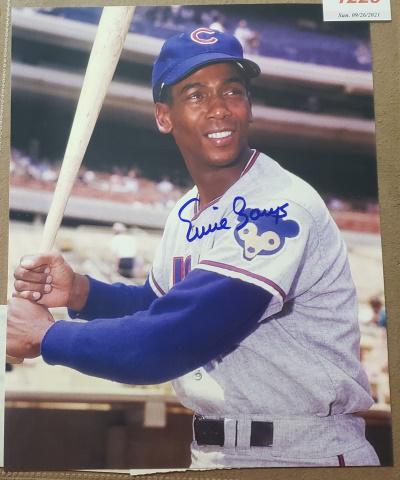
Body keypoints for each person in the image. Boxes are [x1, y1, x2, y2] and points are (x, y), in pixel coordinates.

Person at [8, 27, 379, 468]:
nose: (219, 108)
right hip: (214, 452)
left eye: (232, 91)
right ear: (164, 117)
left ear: (249, 105)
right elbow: (157, 306)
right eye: (196, 95)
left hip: (302, 454)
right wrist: (80, 292)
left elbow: (168, 342)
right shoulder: (186, 212)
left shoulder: (279, 205)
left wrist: (49, 337)